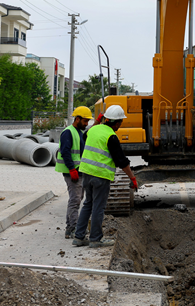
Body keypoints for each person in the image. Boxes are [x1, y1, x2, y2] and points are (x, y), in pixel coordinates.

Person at [72, 105, 137, 248]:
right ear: (118, 123)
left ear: (105, 118)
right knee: (98, 207)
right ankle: (95, 239)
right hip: (100, 176)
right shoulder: (111, 136)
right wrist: (132, 178)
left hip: (86, 173)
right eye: (120, 122)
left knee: (88, 204)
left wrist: (97, 122)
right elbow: (121, 160)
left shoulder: (93, 130)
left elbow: (84, 136)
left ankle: (78, 237)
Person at [55, 106, 92, 239]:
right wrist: (71, 169)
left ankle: (71, 227)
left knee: (77, 199)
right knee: (75, 200)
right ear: (77, 119)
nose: (87, 123)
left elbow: (86, 136)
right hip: (72, 172)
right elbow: (65, 152)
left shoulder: (78, 132)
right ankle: (72, 228)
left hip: (77, 171)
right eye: (85, 121)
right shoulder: (68, 132)